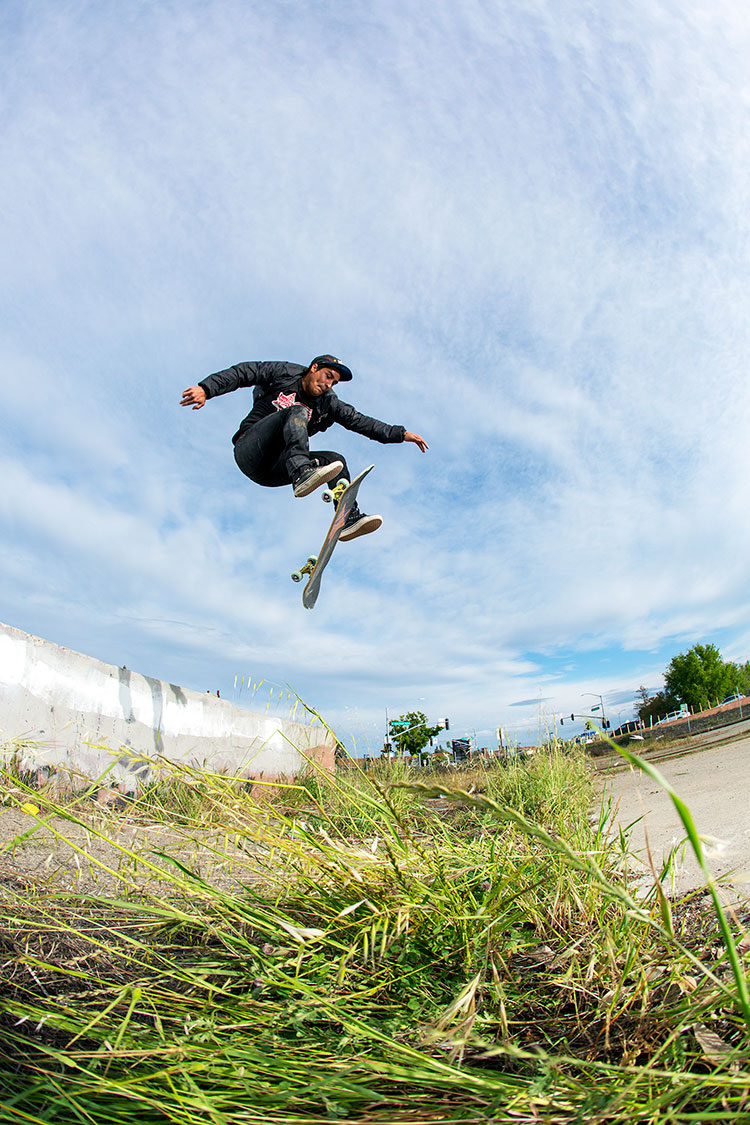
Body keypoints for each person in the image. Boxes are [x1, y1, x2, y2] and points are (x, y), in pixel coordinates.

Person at [180, 354, 428, 540]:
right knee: (296, 411)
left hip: (277, 468)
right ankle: (302, 473)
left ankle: (347, 518)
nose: (329, 385)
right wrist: (206, 388)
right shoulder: (284, 373)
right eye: (328, 376)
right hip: (250, 451)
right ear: (314, 368)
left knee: (335, 460)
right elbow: (244, 372)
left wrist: (401, 434)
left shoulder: (329, 403)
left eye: (335, 382)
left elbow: (360, 422)